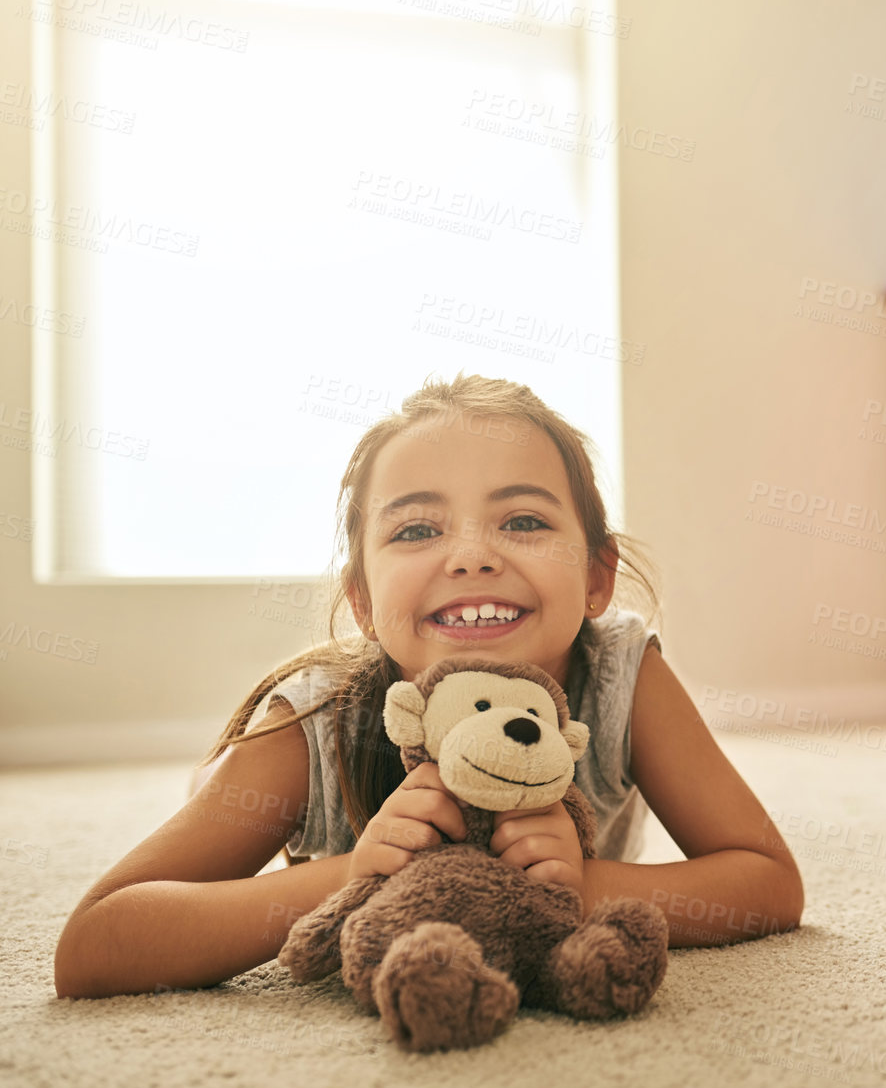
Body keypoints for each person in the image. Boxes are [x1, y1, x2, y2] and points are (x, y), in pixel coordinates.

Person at [54, 375, 803, 998]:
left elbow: (769, 881)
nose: (472, 555)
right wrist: (357, 875)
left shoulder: (618, 674)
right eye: (416, 531)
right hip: (328, 818)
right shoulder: (316, 719)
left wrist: (584, 882)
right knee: (215, 799)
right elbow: (93, 944)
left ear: (598, 576)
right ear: (362, 602)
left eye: (521, 519)